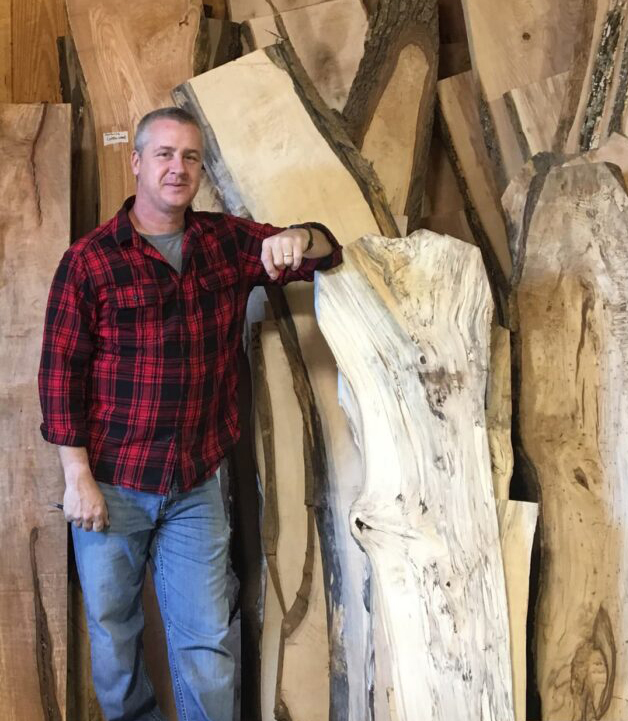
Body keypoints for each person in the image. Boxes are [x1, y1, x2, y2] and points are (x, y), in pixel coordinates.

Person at [38, 106, 342, 721]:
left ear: (201, 168)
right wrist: (76, 478)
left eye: (190, 157)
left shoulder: (226, 243)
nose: (178, 169)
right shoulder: (91, 261)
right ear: (138, 162)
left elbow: (325, 253)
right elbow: (59, 374)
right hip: (112, 484)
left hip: (195, 485)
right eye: (164, 155)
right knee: (116, 643)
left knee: (208, 647)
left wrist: (299, 238)